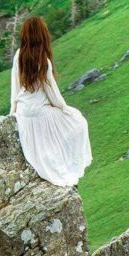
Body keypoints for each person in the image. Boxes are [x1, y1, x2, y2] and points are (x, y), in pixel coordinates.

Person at [10, 15, 92, 187]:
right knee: (78, 122)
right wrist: (65, 109)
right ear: (42, 36)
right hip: (41, 112)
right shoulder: (43, 61)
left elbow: (15, 89)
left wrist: (12, 113)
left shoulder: (18, 56)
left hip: (23, 115)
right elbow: (53, 95)